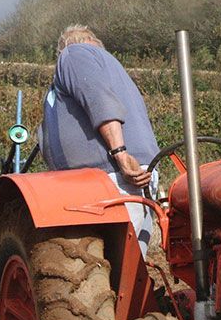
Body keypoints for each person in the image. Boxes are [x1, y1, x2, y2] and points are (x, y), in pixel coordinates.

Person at [41, 25, 160, 255]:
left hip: (110, 177)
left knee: (110, 270)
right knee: (127, 266)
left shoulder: (74, 54)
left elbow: (99, 100)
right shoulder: (115, 71)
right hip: (121, 177)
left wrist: (120, 153)